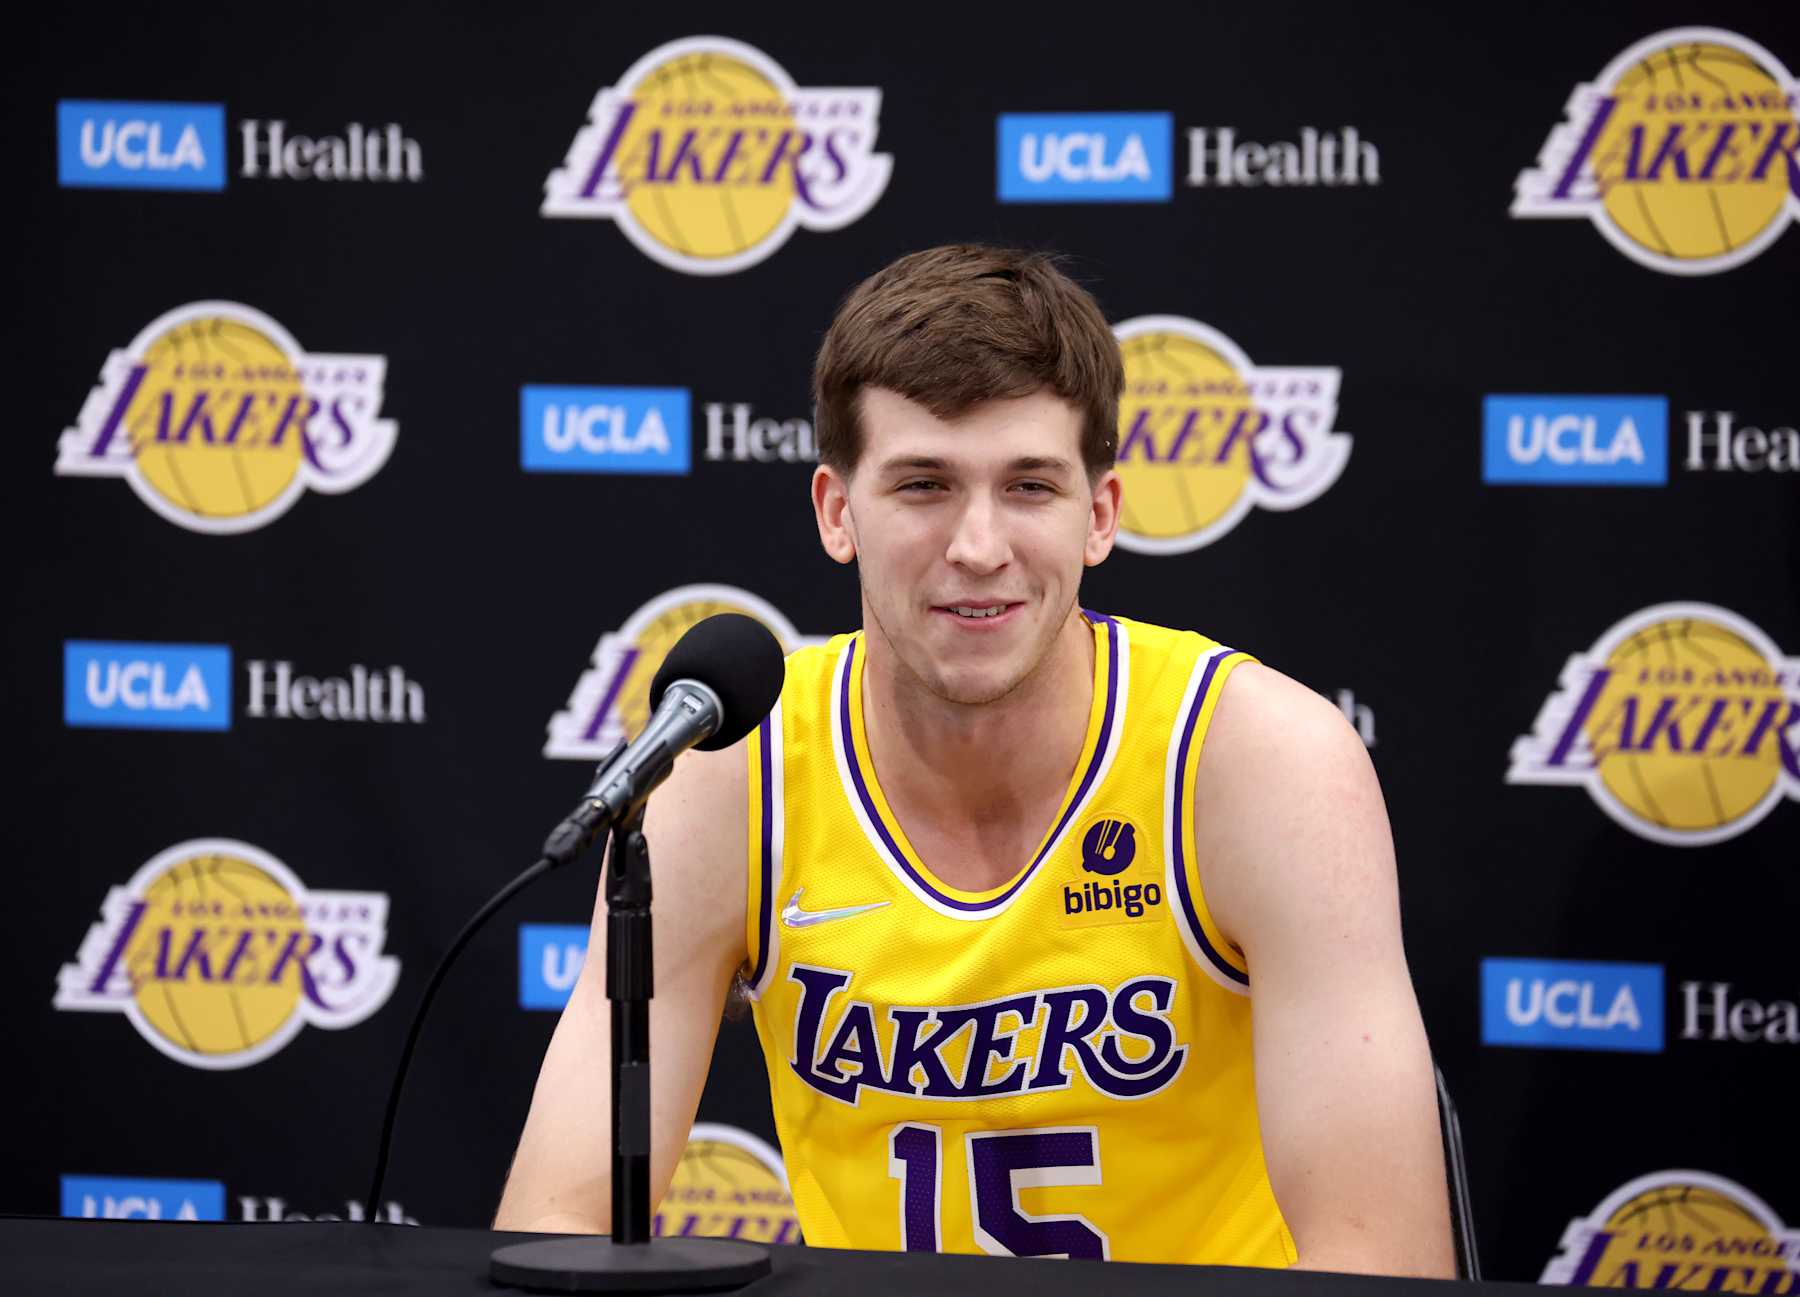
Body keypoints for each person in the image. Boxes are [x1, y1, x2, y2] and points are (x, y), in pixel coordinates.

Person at [495, 244, 1453, 1276]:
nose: (979, 544)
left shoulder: (1257, 759)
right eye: (924, 486)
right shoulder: (735, 770)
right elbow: (556, 1218)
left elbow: (1380, 1261)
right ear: (836, 511)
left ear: (1100, 516)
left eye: (1030, 485)